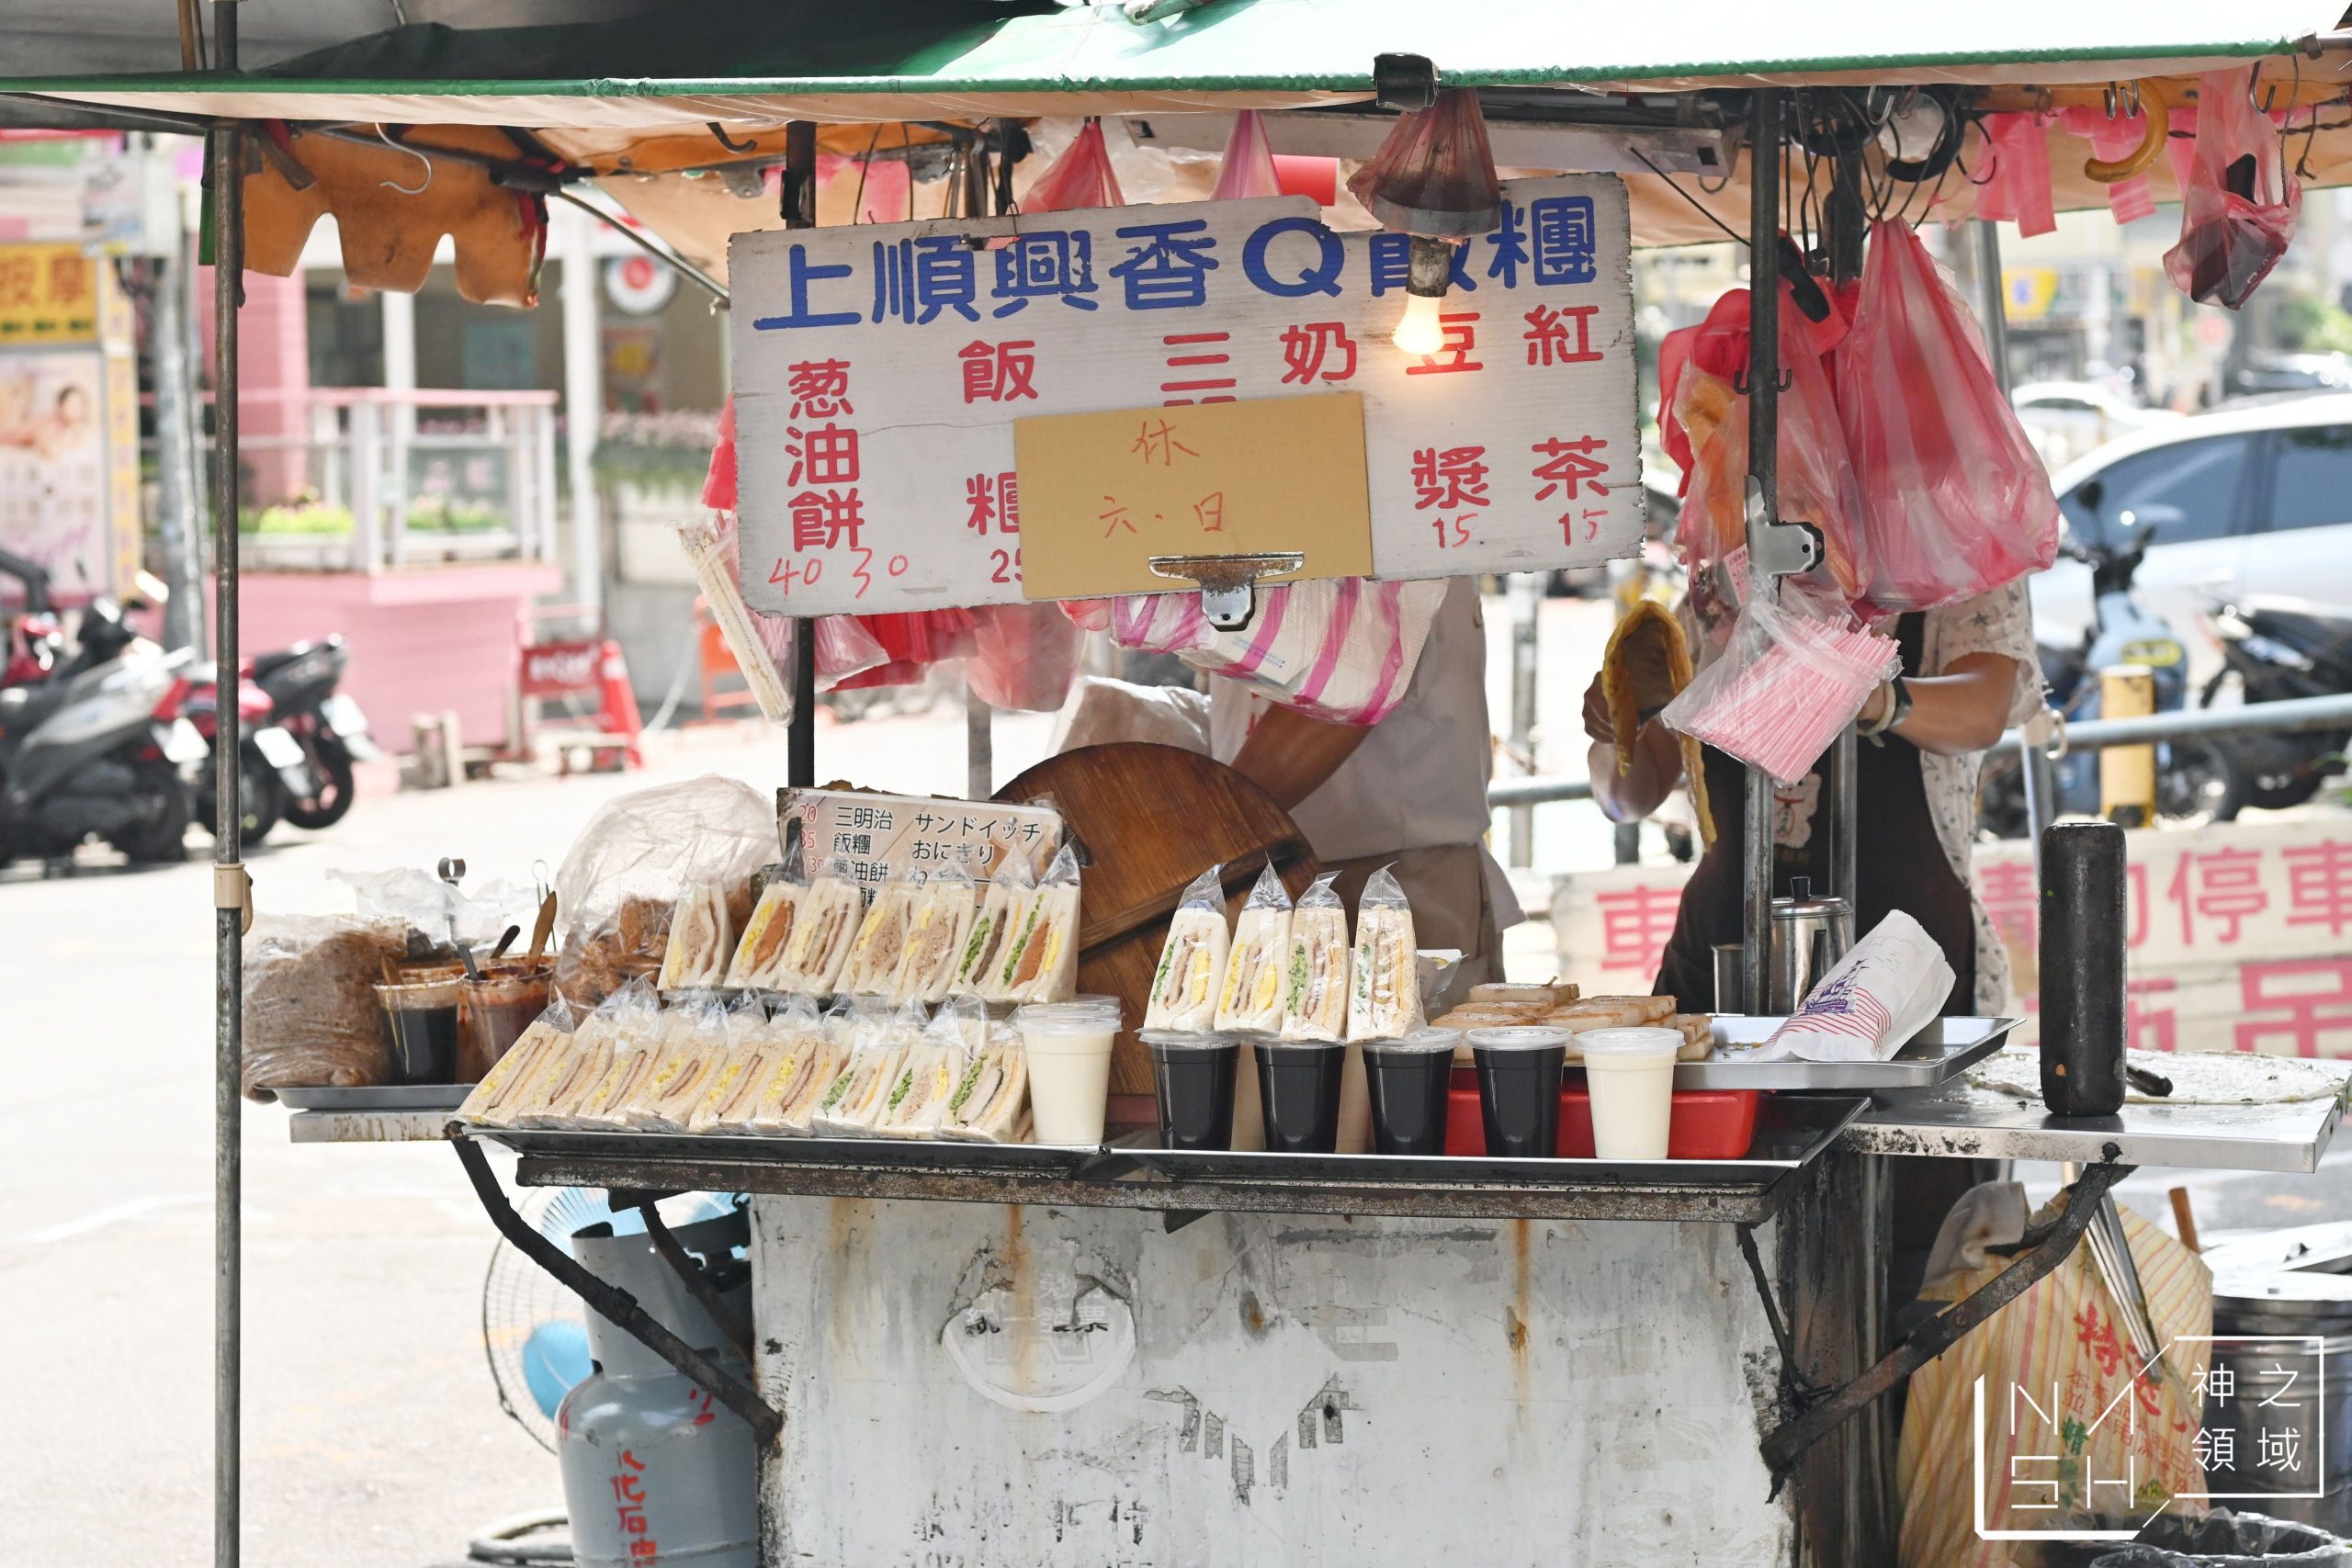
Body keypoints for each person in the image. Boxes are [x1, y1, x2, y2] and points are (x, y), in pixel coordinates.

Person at [1584, 581, 2041, 1015]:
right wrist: (1618, 723)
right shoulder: (1723, 587)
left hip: (1899, 967)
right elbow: (1625, 801)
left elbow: (1982, 711)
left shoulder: (1960, 568)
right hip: (1723, 956)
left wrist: (1876, 698)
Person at [1058, 576, 1521, 987]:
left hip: (1395, 885)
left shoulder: (1372, 535)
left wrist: (1195, 840)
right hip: (1270, 870)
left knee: (1404, 1051)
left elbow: (1350, 689)